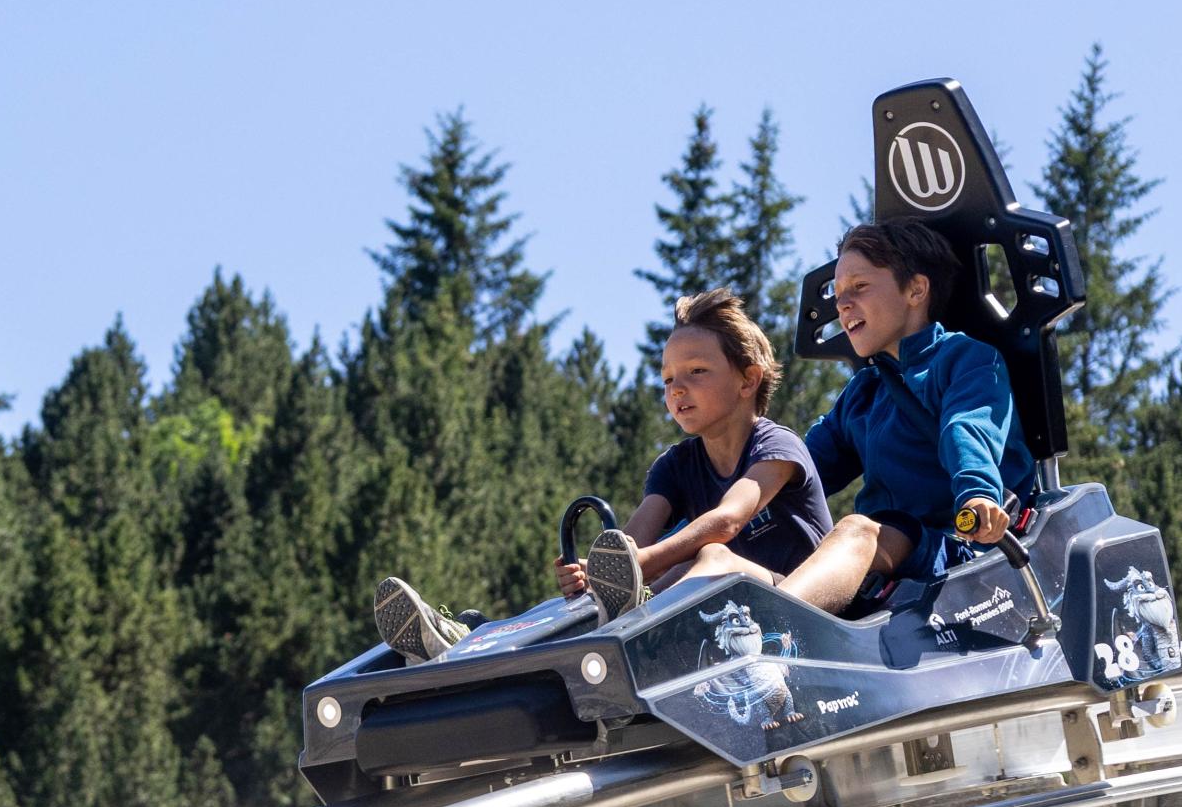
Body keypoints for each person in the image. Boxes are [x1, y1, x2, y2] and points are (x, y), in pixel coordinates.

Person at [374, 289, 832, 661]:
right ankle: (473, 644)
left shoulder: (777, 447)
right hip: (724, 608)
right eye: (668, 379)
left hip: (801, 608)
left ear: (748, 381)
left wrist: (635, 567)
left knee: (711, 558)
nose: (677, 389)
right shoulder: (675, 465)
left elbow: (728, 521)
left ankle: (587, 634)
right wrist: (597, 574)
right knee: (633, 581)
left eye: (696, 372)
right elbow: (631, 541)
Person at [679, 219, 1036, 614]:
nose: (842, 304)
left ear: (916, 289)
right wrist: (676, 539)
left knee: (855, 529)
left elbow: (966, 430)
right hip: (884, 565)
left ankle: (776, 636)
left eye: (859, 287)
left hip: (961, 552)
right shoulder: (864, 394)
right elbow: (784, 472)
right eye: (837, 293)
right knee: (716, 559)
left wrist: (978, 495)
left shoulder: (966, 360)